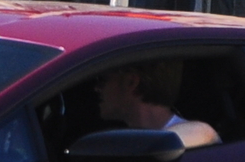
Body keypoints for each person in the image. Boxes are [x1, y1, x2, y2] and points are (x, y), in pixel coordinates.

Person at [91, 58, 220, 149]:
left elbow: (204, 134)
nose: (96, 88)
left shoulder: (197, 135)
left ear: (131, 82)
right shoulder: (126, 142)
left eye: (102, 80)